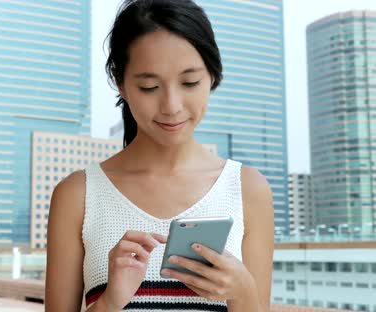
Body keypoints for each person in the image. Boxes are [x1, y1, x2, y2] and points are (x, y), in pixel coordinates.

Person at [45, 0, 274, 311]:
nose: (171, 105)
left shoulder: (247, 189)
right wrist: (111, 300)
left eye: (189, 82)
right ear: (120, 82)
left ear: (212, 76)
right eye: (150, 87)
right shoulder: (78, 194)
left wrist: (243, 290)